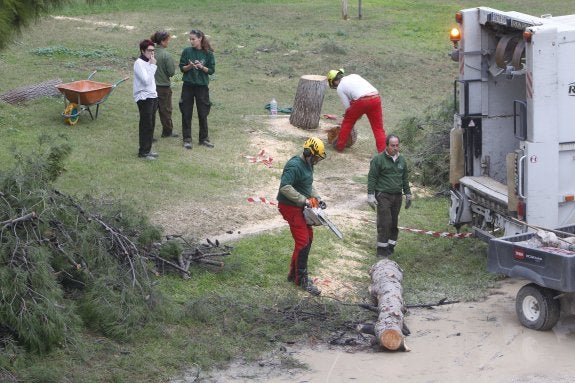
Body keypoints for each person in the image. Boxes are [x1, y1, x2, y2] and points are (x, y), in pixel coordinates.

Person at [277, 137, 327, 296]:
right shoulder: (294, 165)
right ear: (308, 152)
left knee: (308, 238)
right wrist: (304, 200)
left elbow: (308, 184)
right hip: (290, 207)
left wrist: (317, 198)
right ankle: (302, 279)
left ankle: (294, 274)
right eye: (316, 157)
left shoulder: (308, 164)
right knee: (303, 241)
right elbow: (285, 187)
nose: (318, 160)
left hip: (299, 206)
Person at [367, 134, 412, 257]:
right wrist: (371, 195)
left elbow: (405, 178)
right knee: (385, 222)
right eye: (393, 145)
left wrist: (408, 194)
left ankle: (390, 247)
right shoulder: (378, 160)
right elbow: (372, 178)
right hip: (383, 195)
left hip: (397, 196)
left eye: (397, 145)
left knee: (393, 223)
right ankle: (381, 251)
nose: (395, 148)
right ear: (387, 146)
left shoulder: (402, 160)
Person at [326, 69, 386, 153]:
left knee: (347, 122)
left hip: (362, 101)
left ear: (333, 81)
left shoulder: (340, 87)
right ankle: (383, 152)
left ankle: (339, 146)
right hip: (375, 97)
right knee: (378, 128)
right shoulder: (354, 75)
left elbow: (348, 108)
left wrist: (352, 115)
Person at [178, 29, 215, 149]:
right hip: (188, 86)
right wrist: (189, 66)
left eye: (193, 39)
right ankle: (187, 139)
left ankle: (203, 139)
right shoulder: (187, 51)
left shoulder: (208, 53)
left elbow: (211, 70)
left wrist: (201, 67)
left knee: (203, 113)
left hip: (202, 87)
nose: (191, 41)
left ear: (200, 39)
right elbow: (182, 68)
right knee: (186, 112)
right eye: (190, 39)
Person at [133, 39, 159, 160]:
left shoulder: (149, 62)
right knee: (146, 124)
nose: (151, 53)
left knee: (151, 123)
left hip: (152, 96)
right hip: (144, 97)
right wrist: (153, 65)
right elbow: (145, 80)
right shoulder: (139, 63)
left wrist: (151, 64)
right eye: (149, 50)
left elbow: (151, 81)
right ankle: (143, 152)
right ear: (143, 51)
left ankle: (148, 150)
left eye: (153, 50)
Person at [151, 31, 178, 138]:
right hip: (163, 88)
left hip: (150, 87)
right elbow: (171, 72)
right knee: (166, 110)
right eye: (167, 40)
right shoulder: (166, 55)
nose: (168, 42)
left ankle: (149, 134)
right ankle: (167, 132)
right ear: (162, 41)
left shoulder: (150, 52)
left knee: (150, 111)